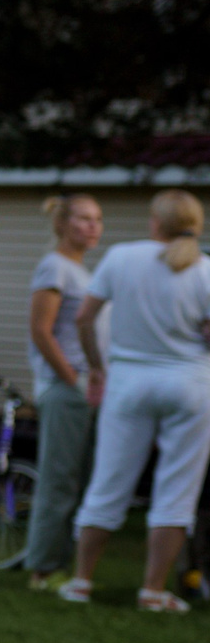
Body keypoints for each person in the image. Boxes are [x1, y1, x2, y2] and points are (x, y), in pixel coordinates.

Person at [62, 190, 210, 613]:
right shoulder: (205, 270)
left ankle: (81, 581)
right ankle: (152, 591)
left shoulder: (121, 257)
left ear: (154, 222)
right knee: (176, 492)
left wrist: (95, 366)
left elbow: (84, 318)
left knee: (108, 483)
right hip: (191, 386)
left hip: (128, 383)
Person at [24, 194, 105, 590]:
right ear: (62, 224)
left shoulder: (82, 271)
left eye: (97, 219)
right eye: (83, 219)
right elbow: (41, 330)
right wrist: (72, 377)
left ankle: (66, 568)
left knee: (83, 479)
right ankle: (42, 570)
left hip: (87, 390)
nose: (92, 226)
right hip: (65, 388)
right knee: (59, 479)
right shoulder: (54, 267)